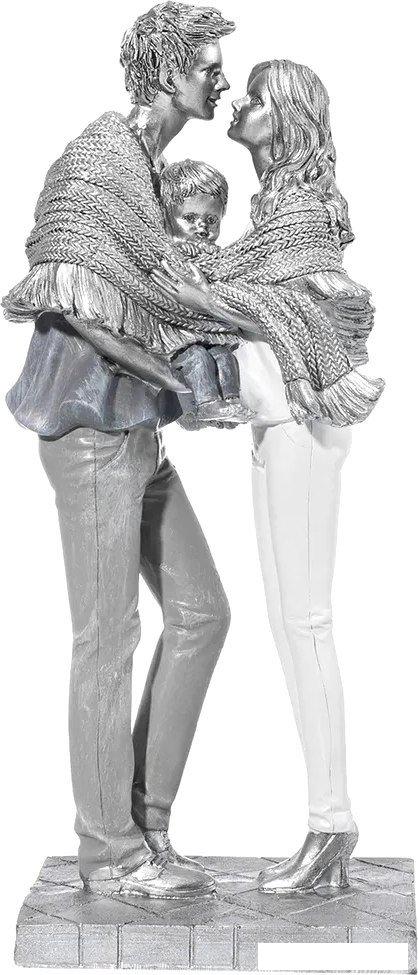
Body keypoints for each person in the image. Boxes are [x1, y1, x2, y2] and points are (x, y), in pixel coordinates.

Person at [2, 2, 235, 898]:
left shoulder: (153, 172)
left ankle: (148, 823)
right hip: (92, 431)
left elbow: (163, 291)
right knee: (107, 638)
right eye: (208, 66)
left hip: (137, 432)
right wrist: (181, 381)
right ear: (169, 71)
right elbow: (69, 298)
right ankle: (109, 854)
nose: (220, 80)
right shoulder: (100, 160)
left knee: (202, 612)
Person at [152, 60, 383, 892]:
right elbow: (243, 295)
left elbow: (281, 308)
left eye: (255, 98)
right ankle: (326, 824)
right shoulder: (274, 211)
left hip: (303, 426)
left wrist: (204, 289)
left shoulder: (306, 214)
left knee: (306, 620)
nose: (239, 106)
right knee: (292, 624)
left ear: (285, 118)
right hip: (274, 427)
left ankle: (332, 825)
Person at [160, 159, 252, 424]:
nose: (202, 227)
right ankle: (206, 405)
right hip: (178, 337)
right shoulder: (169, 256)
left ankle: (230, 404)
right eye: (190, 218)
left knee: (225, 358)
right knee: (198, 360)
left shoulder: (222, 260)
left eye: (211, 220)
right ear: (166, 215)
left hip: (213, 333)